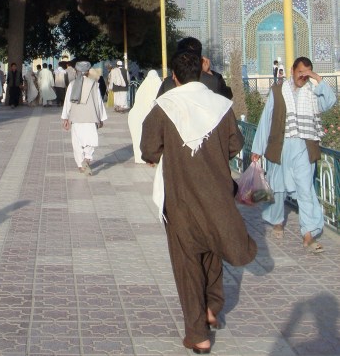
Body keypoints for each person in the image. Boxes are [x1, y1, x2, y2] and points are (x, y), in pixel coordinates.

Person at [141, 50, 256, 354]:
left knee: (187, 263)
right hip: (217, 195)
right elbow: (235, 144)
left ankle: (198, 333)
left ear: (175, 77)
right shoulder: (221, 106)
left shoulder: (165, 107)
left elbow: (149, 149)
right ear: (202, 73)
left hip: (180, 200)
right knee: (212, 252)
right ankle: (212, 307)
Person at [251, 56, 336, 253]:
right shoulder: (278, 91)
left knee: (305, 189)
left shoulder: (313, 94)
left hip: (305, 146)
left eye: (307, 73)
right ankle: (277, 221)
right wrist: (257, 148)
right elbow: (266, 118)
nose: (303, 77)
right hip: (281, 146)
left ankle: (308, 234)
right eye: (300, 73)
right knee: (277, 188)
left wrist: (316, 77)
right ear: (292, 71)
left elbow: (330, 101)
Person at [61, 61, 107, 175]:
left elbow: (67, 103)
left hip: (76, 118)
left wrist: (65, 118)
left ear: (77, 71)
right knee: (91, 140)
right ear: (87, 71)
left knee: (77, 143)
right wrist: (101, 118)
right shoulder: (94, 84)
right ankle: (87, 157)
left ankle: (81, 165)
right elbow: (99, 102)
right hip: (91, 117)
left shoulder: (72, 85)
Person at [157, 37, 232, 100]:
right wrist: (209, 74)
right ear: (201, 59)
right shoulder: (214, 80)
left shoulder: (168, 83)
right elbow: (226, 100)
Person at [127, 69, 161, 163]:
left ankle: (139, 157)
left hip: (137, 116)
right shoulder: (159, 86)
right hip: (152, 116)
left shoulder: (142, 89)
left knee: (138, 137)